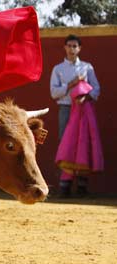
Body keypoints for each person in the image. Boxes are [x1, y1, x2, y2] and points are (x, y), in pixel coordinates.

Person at [50, 34, 100, 197]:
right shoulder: (58, 69)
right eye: (69, 46)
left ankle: (81, 187)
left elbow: (96, 89)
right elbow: (54, 93)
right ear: (65, 48)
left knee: (83, 144)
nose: (72, 49)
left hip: (83, 109)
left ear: (79, 49)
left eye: (75, 46)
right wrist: (71, 84)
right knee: (67, 144)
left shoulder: (87, 67)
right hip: (66, 108)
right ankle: (65, 186)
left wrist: (86, 97)